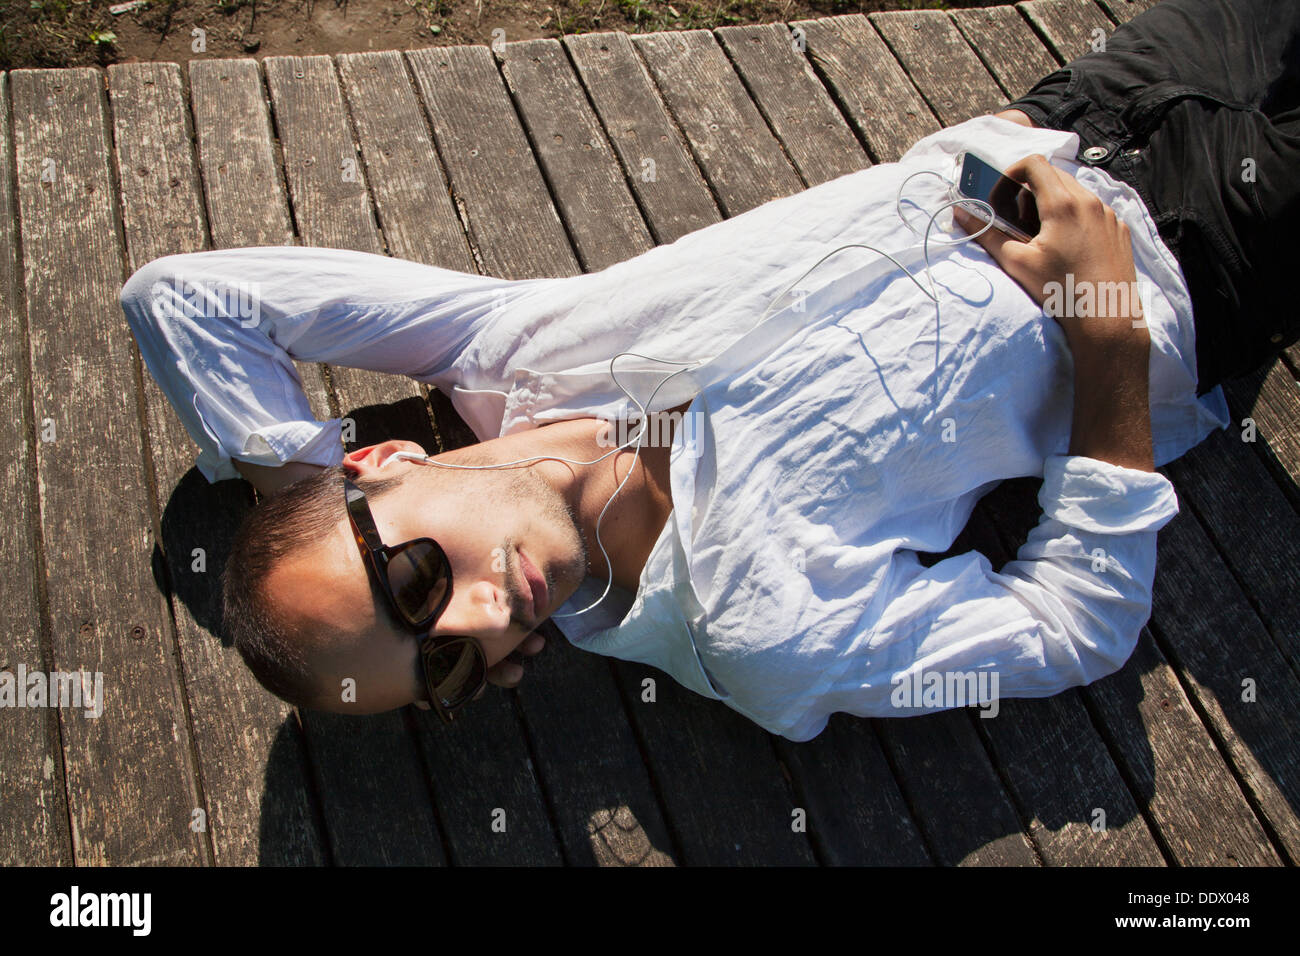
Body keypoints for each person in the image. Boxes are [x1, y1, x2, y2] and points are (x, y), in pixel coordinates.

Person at [120, 0, 1298, 741]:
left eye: (415, 579)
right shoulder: (758, 633)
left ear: (383, 460)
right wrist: (1106, 338)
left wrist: (294, 484)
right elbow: (1074, 625)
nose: (484, 623)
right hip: (1208, 265)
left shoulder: (504, 353)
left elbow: (181, 300)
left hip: (1081, 113)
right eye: (440, 669)